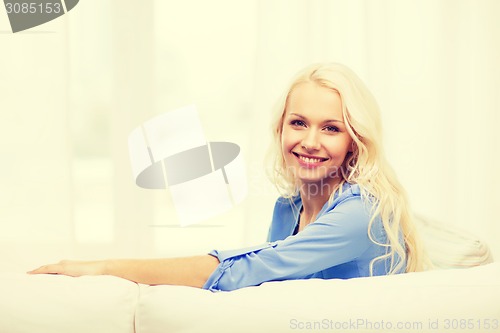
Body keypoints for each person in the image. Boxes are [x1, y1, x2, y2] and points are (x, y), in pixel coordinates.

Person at [29, 62, 426, 291]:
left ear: (355, 141)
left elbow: (242, 271)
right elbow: (267, 291)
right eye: (298, 123)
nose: (309, 141)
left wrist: (103, 269)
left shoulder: (361, 213)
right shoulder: (288, 209)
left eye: (331, 128)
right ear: (280, 130)